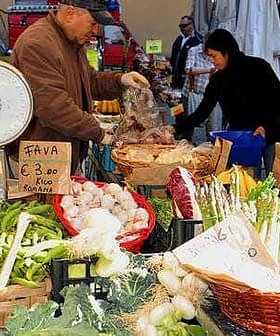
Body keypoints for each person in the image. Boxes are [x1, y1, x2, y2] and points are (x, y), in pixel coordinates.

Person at [7, 0, 149, 174]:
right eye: (93, 23)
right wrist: (99, 133)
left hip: (62, 153)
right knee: (41, 203)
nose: (96, 31)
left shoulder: (73, 42)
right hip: (40, 159)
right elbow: (54, 107)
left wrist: (120, 80)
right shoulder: (38, 43)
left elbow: (89, 80)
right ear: (70, 14)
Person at [181, 28, 280, 176]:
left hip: (270, 133)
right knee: (247, 184)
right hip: (241, 140)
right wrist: (175, 128)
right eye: (210, 58)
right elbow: (202, 112)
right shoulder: (218, 80)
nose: (213, 62)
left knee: (275, 181)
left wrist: (266, 126)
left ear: (226, 52)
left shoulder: (259, 67)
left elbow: (277, 100)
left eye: (214, 56)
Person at [180, 39, 222, 142]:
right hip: (192, 94)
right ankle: (185, 147)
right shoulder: (194, 51)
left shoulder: (218, 53)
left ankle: (212, 150)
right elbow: (188, 69)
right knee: (189, 126)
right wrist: (209, 70)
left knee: (212, 127)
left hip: (209, 95)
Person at [170, 15, 202, 90]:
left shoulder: (198, 40)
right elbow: (174, 55)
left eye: (184, 26)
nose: (181, 28)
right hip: (175, 77)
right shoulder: (179, 38)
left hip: (186, 78)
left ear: (191, 25)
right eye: (180, 26)